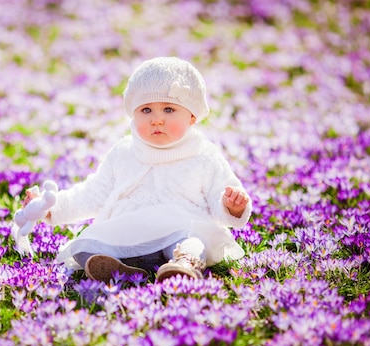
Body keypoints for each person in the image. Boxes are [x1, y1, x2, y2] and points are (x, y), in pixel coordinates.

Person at [23, 57, 252, 283]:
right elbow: (93, 192)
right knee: (85, 245)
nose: (156, 120)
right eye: (146, 110)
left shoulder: (204, 155)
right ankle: (124, 269)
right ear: (133, 114)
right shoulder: (124, 152)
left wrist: (231, 206)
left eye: (169, 109)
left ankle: (185, 263)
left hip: (179, 232)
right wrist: (53, 207)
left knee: (194, 240)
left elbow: (218, 193)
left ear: (192, 116)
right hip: (131, 233)